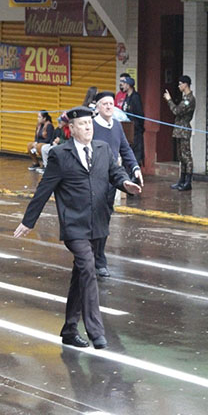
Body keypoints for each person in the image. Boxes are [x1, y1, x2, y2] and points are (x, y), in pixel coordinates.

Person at [14, 106, 142, 349]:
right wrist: (28, 221)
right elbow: (44, 190)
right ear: (71, 129)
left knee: (80, 275)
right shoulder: (60, 155)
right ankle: (96, 332)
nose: (88, 128)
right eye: (83, 124)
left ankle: (69, 329)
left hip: (98, 223)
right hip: (74, 225)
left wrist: (126, 183)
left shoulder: (102, 149)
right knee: (88, 268)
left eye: (90, 124)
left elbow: (114, 172)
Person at [92, 91, 144, 277]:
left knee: (104, 220)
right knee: (91, 219)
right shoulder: (91, 126)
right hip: (91, 181)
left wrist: (135, 168)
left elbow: (125, 149)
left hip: (111, 180)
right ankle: (92, 258)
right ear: (97, 106)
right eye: (104, 103)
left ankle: (98, 257)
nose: (108, 107)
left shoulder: (117, 126)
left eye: (111, 103)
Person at [164, 75, 196, 191]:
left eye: (180, 84)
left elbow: (177, 111)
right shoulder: (185, 98)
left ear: (185, 84)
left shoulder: (189, 99)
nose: (179, 86)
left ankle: (188, 181)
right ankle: (181, 180)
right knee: (181, 156)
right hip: (179, 130)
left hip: (184, 130)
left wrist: (169, 100)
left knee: (186, 156)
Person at [121, 76, 145, 166]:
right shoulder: (127, 97)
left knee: (136, 152)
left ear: (129, 85)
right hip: (127, 129)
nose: (122, 85)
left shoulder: (135, 97)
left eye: (124, 84)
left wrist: (139, 128)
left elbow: (140, 115)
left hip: (135, 130)